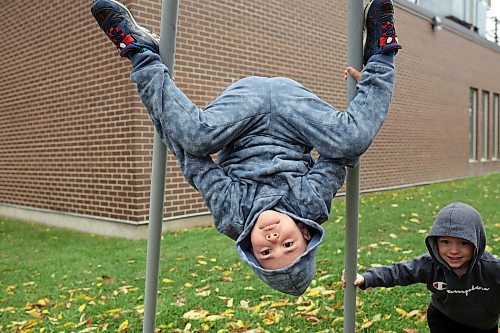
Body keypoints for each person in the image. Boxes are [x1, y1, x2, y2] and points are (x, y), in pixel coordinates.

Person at [91, 0, 402, 295]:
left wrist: (162, 114)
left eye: (266, 251)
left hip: (243, 113)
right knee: (353, 141)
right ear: (306, 234)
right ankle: (381, 54)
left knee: (195, 139)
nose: (274, 239)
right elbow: (339, 156)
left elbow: (193, 162)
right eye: (289, 245)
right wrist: (366, 98)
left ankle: (141, 52)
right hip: (295, 112)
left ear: (249, 247)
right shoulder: (311, 204)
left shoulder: (231, 214)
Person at [342, 202, 500, 332]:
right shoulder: (430, 264)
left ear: (477, 242)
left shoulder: (492, 268)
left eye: (463, 243)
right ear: (435, 242)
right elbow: (399, 271)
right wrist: (365, 278)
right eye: (445, 242)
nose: (454, 251)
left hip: (483, 326)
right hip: (444, 320)